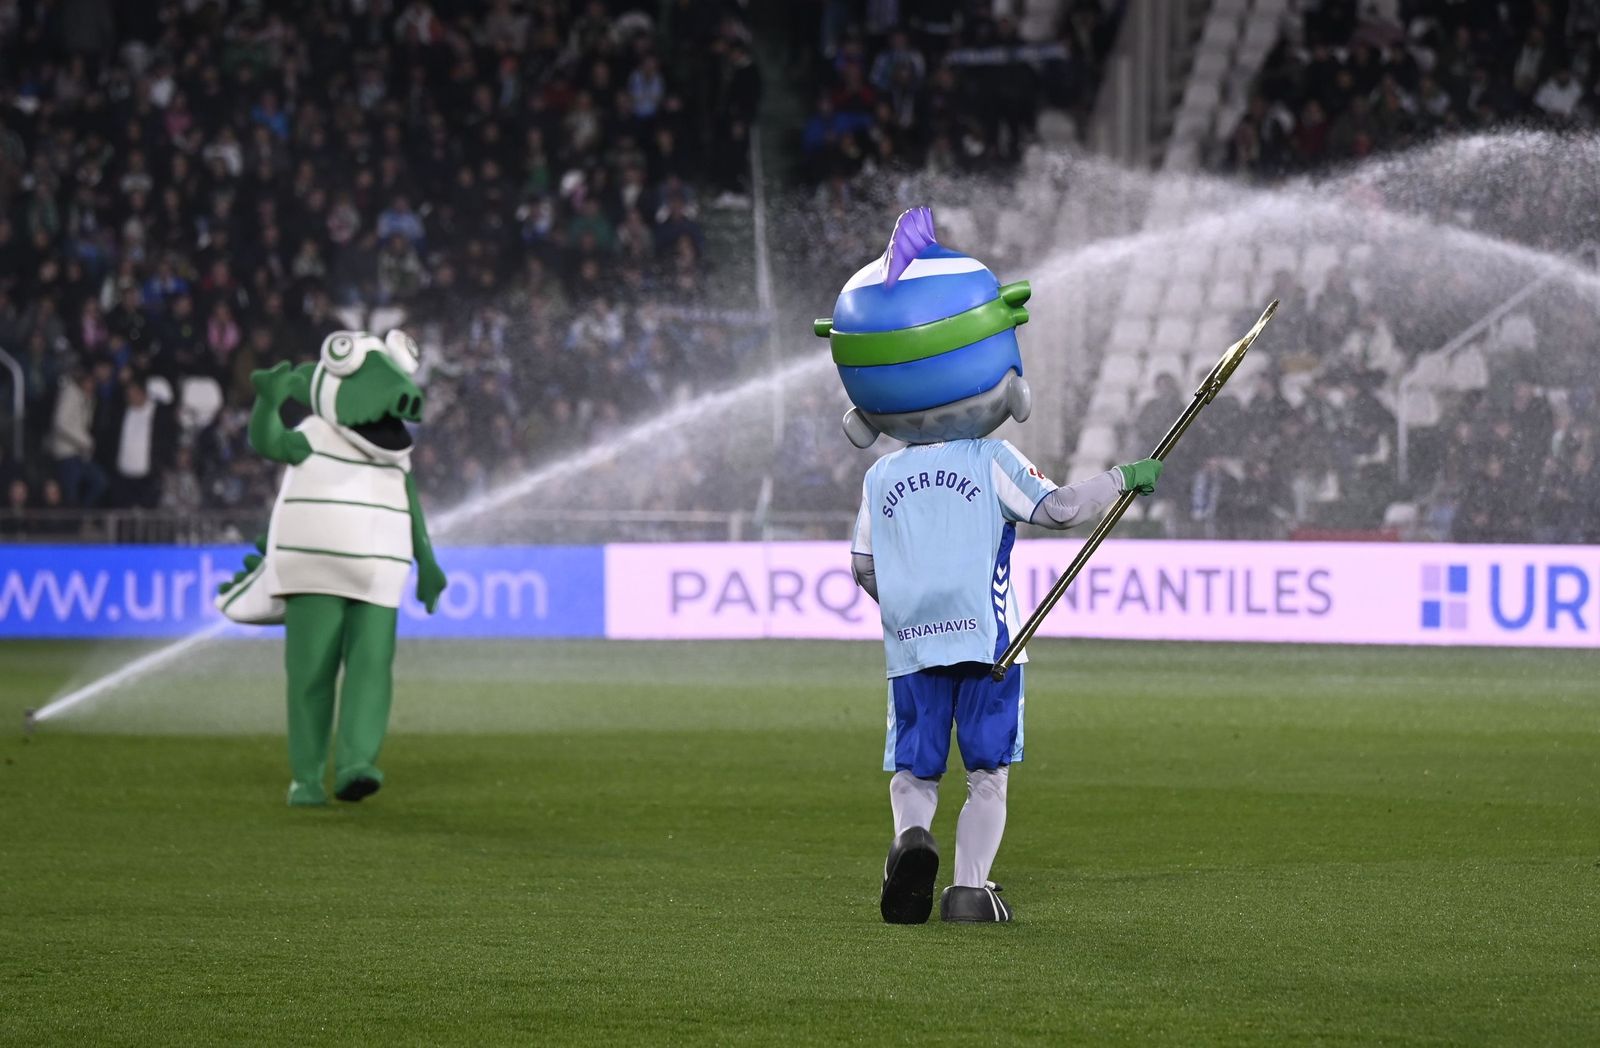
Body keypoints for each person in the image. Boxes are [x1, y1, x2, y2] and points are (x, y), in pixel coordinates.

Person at [821, 209, 1162, 924]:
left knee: (913, 767)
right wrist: (1123, 478)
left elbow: (861, 565)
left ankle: (911, 838)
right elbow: (1059, 510)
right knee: (987, 773)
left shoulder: (881, 476)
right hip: (989, 643)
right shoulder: (990, 456)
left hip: (912, 646)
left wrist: (906, 601)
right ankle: (970, 891)